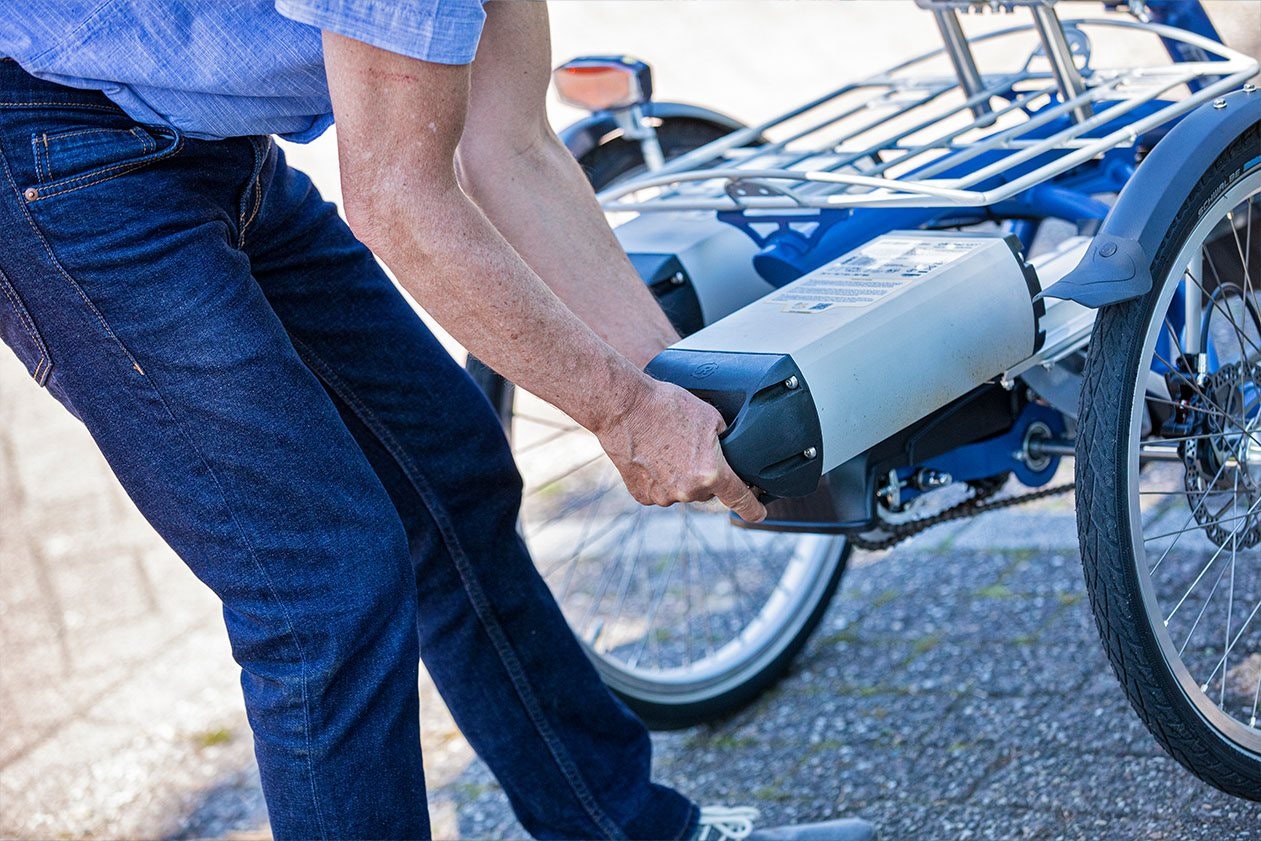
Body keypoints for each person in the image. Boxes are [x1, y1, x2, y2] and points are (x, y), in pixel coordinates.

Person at [0, 2, 874, 839]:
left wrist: (674, 386)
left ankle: (617, 826)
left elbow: (512, 149)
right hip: (53, 157)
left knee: (451, 475)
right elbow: (398, 202)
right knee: (320, 581)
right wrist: (623, 410)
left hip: (203, 143)